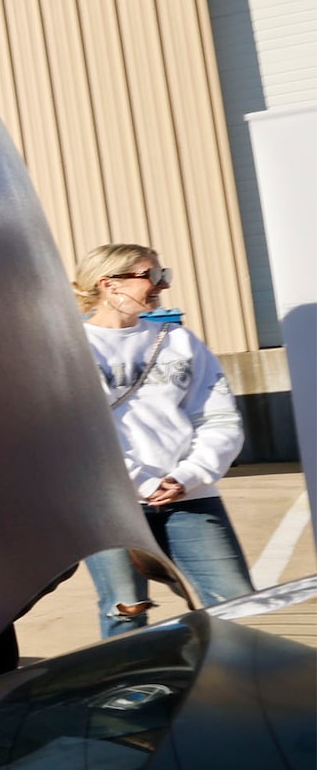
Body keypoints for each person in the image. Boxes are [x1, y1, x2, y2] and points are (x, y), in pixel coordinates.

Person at [74, 242, 253, 633]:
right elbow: (74, 436)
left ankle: (246, 689)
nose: (162, 286)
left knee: (237, 601)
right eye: (151, 276)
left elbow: (218, 417)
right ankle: (133, 692)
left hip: (188, 496)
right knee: (126, 610)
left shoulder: (179, 342)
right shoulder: (69, 348)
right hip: (109, 506)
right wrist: (142, 481)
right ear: (109, 284)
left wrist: (188, 476)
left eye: (163, 275)